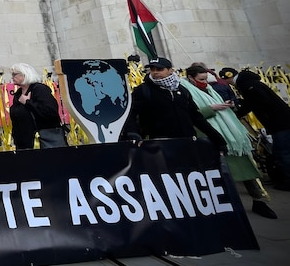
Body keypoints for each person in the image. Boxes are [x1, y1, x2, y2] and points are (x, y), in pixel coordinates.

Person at [181, 64, 276, 218]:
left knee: (247, 170)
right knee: (218, 176)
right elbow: (190, 115)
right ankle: (223, 206)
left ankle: (259, 201)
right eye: (201, 79)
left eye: (206, 79)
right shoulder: (184, 90)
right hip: (210, 135)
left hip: (231, 136)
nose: (204, 82)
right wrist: (211, 108)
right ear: (191, 78)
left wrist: (228, 106)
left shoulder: (210, 89)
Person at [122, 57, 227, 153]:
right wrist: (133, 134)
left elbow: (196, 117)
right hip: (161, 145)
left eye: (159, 69)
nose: (155, 72)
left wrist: (218, 139)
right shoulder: (143, 90)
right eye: (152, 69)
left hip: (189, 142)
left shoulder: (181, 90)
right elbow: (130, 114)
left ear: (170, 70)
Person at [233, 69, 290, 191]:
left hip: (280, 124)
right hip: (282, 123)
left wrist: (240, 111)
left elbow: (258, 102)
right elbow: (254, 102)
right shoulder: (253, 83)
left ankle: (288, 181)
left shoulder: (249, 86)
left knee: (282, 153)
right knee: (281, 152)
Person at [9, 63, 66, 150]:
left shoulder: (39, 89)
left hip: (43, 141)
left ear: (25, 74)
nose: (12, 77)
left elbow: (50, 112)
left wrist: (28, 102)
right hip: (24, 144)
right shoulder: (18, 94)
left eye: (14, 74)